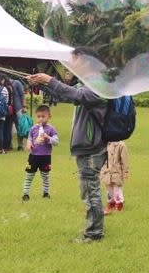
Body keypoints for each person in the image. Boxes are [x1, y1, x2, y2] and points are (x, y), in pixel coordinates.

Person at [28, 69, 109, 243]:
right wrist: (43, 84)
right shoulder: (90, 86)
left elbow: (76, 94)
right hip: (88, 147)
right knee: (88, 191)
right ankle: (95, 230)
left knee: (90, 192)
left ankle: (94, 234)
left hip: (91, 148)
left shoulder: (100, 88)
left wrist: (49, 80)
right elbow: (66, 95)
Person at [22, 105, 59, 201]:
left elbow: (56, 142)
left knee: (45, 176)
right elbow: (30, 138)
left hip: (45, 157)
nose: (40, 119)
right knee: (29, 175)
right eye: (38, 116)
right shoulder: (33, 128)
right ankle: (25, 194)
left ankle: (46, 193)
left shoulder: (51, 129)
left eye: (43, 116)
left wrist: (48, 137)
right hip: (33, 156)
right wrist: (29, 144)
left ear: (49, 116)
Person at [101, 141, 130, 214]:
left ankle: (119, 203)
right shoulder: (105, 144)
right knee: (109, 188)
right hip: (106, 171)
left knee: (117, 189)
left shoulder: (121, 145)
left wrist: (125, 171)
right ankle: (111, 203)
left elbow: (124, 159)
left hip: (117, 171)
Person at [10, 77, 26, 150]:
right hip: (9, 109)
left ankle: (20, 145)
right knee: (8, 128)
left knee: (19, 127)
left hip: (18, 108)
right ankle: (9, 144)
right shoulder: (3, 84)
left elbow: (22, 95)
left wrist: (24, 106)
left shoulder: (17, 83)